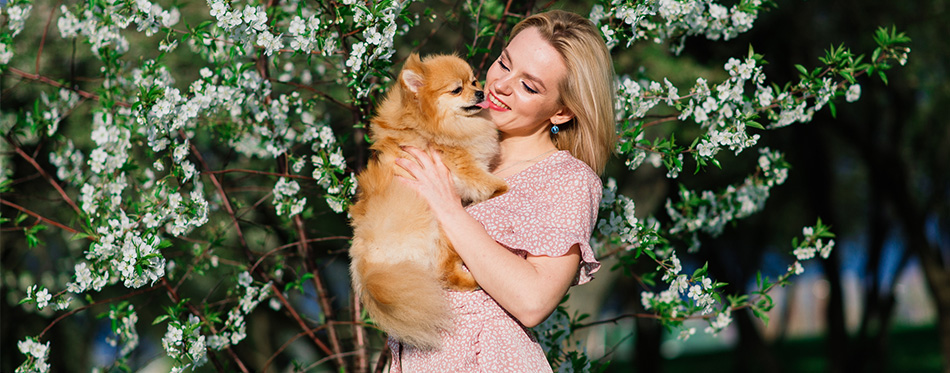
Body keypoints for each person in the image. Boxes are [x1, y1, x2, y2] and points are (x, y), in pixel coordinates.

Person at [390, 9, 616, 372]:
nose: (500, 85)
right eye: (503, 63)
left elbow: (533, 302)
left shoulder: (567, 180)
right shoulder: (450, 142)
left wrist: (448, 208)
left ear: (561, 112)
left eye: (529, 86)